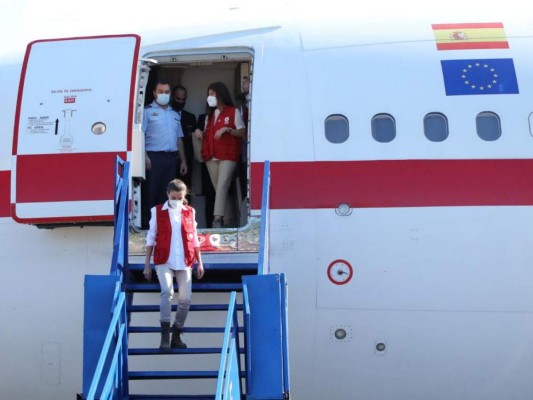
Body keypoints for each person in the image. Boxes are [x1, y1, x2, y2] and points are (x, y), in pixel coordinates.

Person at [143, 179, 205, 350]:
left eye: (180, 197)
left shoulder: (189, 212)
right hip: (164, 259)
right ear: (168, 194)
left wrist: (200, 263)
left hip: (185, 260)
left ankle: (176, 333)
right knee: (167, 291)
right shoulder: (157, 211)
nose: (177, 200)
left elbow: (194, 238)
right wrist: (146, 264)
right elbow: (151, 237)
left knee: (185, 299)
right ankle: (164, 335)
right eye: (174, 197)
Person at [194, 81, 246, 228]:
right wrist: (199, 133)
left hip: (228, 155)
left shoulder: (233, 111)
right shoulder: (209, 115)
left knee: (222, 185)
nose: (209, 97)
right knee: (220, 190)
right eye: (208, 94)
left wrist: (227, 129)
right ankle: (230, 220)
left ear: (220, 95)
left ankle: (217, 220)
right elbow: (206, 133)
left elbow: (242, 132)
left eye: (212, 94)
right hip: (211, 156)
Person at [142, 81, 188, 227]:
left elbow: (179, 138)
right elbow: (140, 135)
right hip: (153, 158)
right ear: (154, 93)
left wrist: (183, 161)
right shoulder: (146, 111)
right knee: (151, 193)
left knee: (168, 194)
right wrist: (145, 157)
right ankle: (148, 226)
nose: (164, 94)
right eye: (160, 91)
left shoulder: (174, 113)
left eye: (167, 92)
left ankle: (164, 226)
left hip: (171, 158)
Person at [171, 85, 196, 188]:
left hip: (186, 159)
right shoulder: (166, 114)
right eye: (178, 99)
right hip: (169, 158)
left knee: (185, 189)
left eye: (183, 99)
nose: (180, 102)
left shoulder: (191, 117)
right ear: (172, 97)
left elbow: (193, 141)